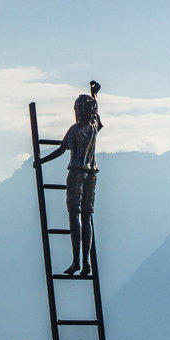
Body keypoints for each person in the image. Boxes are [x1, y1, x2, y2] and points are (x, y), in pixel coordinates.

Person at [35, 81, 102, 275]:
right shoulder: (93, 126)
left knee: (74, 216)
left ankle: (76, 262)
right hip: (92, 174)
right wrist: (94, 95)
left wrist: (40, 161)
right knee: (87, 216)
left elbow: (61, 150)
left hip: (77, 173)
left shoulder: (75, 129)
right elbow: (97, 114)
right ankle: (86, 261)